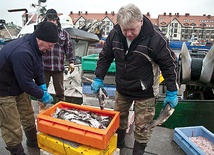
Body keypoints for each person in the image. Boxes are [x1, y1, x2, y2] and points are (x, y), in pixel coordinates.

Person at [91, 3, 179, 155]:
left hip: (146, 91)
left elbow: (169, 65)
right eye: (125, 30)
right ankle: (119, 147)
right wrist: (98, 77)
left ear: (141, 21)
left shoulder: (155, 39)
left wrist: (172, 91)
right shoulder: (115, 35)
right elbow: (105, 57)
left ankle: (137, 152)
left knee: (142, 127)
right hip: (123, 88)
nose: (128, 33)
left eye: (132, 29)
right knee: (118, 121)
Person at [0, 21, 58, 155]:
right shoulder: (22, 52)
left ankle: (32, 141)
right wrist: (42, 95)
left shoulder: (36, 47)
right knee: (11, 124)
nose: (50, 48)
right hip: (3, 90)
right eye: (50, 45)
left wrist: (42, 86)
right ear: (40, 39)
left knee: (28, 115)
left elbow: (38, 69)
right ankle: (17, 151)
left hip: (17, 86)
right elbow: (26, 82)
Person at [42, 9, 74, 102]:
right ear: (46, 20)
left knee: (60, 91)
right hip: (44, 66)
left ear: (57, 20)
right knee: (42, 90)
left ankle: (61, 107)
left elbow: (69, 48)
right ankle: (41, 106)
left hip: (58, 67)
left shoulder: (64, 34)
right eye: (49, 20)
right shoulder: (41, 32)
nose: (52, 22)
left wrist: (71, 62)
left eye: (54, 20)